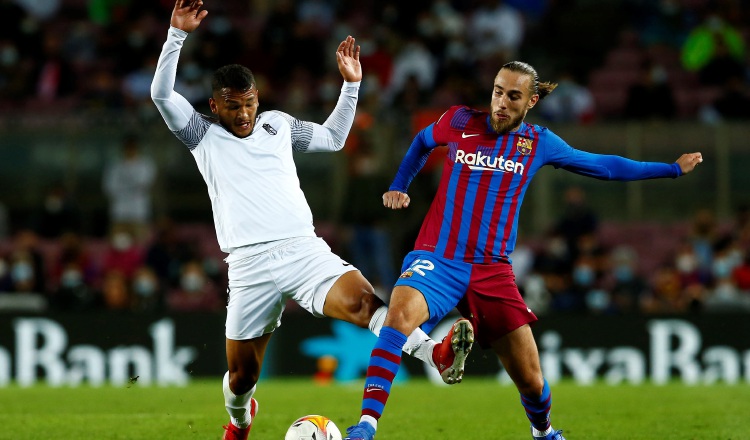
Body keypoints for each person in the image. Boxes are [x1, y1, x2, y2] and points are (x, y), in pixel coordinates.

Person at [151, 2, 468, 440]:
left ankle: (436, 354)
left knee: (364, 304)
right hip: (248, 266)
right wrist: (177, 35)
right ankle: (240, 420)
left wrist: (351, 86)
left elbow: (335, 138)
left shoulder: (277, 126)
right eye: (232, 106)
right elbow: (161, 96)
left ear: (258, 99)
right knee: (241, 378)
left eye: (248, 103)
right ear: (214, 106)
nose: (242, 114)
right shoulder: (202, 135)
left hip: (302, 249)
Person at [343, 60, 703, 440]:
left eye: (513, 96)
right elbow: (421, 141)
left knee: (531, 380)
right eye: (498, 91)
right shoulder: (460, 121)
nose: (501, 102)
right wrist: (401, 183)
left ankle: (543, 432)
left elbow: (603, 166)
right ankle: (366, 427)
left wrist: (671, 169)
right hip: (438, 257)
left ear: (530, 101)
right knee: (397, 319)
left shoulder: (539, 143)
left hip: (492, 271)